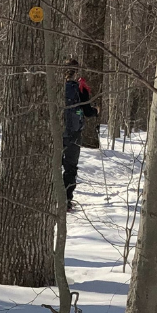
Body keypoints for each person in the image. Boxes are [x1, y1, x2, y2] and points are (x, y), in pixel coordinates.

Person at [62, 56, 98, 211]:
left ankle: (52, 197)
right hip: (74, 132)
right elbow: (88, 112)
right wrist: (96, 111)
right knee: (70, 166)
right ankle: (67, 199)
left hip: (56, 132)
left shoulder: (54, 86)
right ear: (76, 71)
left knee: (54, 164)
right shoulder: (80, 87)